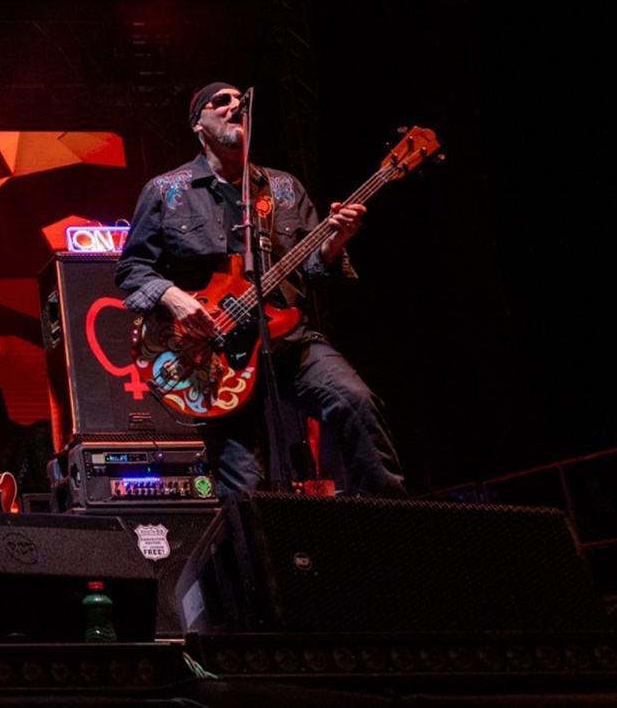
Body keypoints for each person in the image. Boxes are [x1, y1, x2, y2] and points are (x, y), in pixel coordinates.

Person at [115, 82, 406, 500]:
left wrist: (334, 243)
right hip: (211, 356)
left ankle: (393, 520)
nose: (236, 105)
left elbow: (311, 271)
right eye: (222, 101)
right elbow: (131, 269)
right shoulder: (166, 191)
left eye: (240, 99)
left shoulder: (283, 188)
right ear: (198, 124)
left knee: (356, 402)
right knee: (246, 486)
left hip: (287, 338)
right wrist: (175, 299)